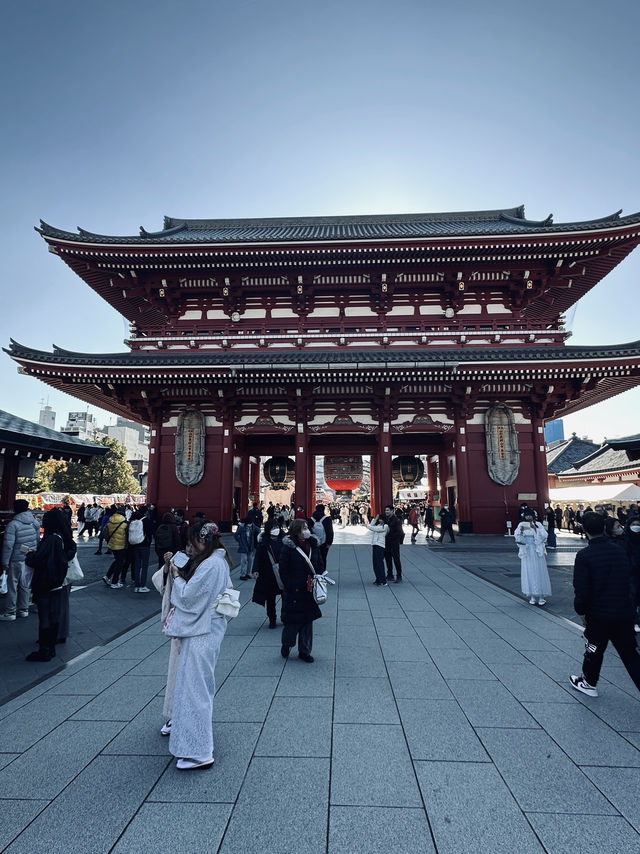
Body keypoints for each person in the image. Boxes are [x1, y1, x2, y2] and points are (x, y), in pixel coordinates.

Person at [163, 520, 230, 770]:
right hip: (207, 628)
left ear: (202, 540)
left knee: (195, 690)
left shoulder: (211, 565)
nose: (190, 546)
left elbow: (189, 598)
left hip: (202, 630)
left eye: (192, 541)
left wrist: (178, 577)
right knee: (195, 688)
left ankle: (199, 751)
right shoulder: (218, 562)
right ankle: (190, 742)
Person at [570, 511, 640, 697]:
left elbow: (582, 589)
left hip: (598, 614)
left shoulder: (584, 556)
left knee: (593, 649)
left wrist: (581, 611)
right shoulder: (620, 551)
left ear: (584, 529)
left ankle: (589, 683)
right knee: (630, 654)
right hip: (623, 612)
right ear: (604, 528)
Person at [24, 509, 72, 661]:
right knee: (54, 615)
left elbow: (38, 559)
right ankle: (50, 647)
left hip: (46, 581)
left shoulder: (50, 539)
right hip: (58, 581)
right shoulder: (65, 537)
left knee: (44, 616)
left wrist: (29, 555)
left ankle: (44, 650)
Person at [279, 518, 322, 662]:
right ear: (296, 531)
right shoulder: (289, 547)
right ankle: (287, 644)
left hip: (309, 588)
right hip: (294, 589)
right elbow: (283, 568)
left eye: (307, 528)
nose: (306, 531)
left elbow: (319, 563)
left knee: (307, 621)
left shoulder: (313, 545)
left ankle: (305, 650)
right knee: (292, 621)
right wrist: (289, 585)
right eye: (303, 528)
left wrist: (319, 577)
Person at [0, 499, 40, 621]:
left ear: (15, 509)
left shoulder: (13, 525)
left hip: (16, 559)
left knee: (12, 585)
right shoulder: (34, 523)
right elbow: (37, 541)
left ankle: (10, 612)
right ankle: (23, 609)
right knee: (25, 585)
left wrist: (4, 562)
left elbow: (8, 545)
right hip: (29, 559)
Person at [514, 510, 551, 605]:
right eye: (527, 516)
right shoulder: (521, 524)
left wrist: (535, 529)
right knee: (529, 572)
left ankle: (541, 596)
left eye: (530, 515)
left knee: (539, 571)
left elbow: (544, 536)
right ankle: (532, 596)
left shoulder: (538, 524)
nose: (528, 517)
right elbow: (517, 536)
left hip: (537, 550)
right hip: (527, 551)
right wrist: (521, 532)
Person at [252, 519, 283, 627]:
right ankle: (272, 618)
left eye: (277, 527)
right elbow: (258, 557)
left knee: (287, 597)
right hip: (268, 574)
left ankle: (285, 616)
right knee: (270, 599)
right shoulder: (263, 543)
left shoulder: (284, 540)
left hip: (283, 573)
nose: (276, 530)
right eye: (274, 528)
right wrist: (255, 570)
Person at [103, 506, 129, 588]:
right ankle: (114, 582)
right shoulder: (125, 523)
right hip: (121, 545)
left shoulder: (110, 521)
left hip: (112, 544)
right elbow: (128, 535)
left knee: (117, 561)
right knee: (120, 564)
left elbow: (105, 532)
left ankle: (107, 576)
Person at [129, 506, 153, 592]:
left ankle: (137, 585)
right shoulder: (146, 520)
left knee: (137, 565)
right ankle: (142, 585)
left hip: (135, 544)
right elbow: (150, 532)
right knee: (145, 566)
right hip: (144, 545)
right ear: (146, 512)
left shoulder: (135, 519)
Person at [367, 513, 389, 586]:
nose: (380, 520)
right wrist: (375, 519)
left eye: (381, 519)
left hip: (380, 546)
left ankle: (383, 580)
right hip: (375, 544)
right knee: (375, 564)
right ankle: (378, 579)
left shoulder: (385, 526)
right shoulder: (378, 525)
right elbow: (372, 525)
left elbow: (373, 528)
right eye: (379, 519)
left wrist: (367, 526)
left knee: (379, 563)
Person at [383, 505, 403, 582]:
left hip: (394, 543)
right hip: (387, 543)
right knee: (388, 559)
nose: (386, 512)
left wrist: (394, 539)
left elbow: (400, 532)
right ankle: (390, 574)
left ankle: (399, 575)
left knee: (396, 559)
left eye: (388, 510)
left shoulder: (396, 520)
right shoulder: (386, 519)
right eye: (386, 510)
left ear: (392, 511)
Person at [313, 504, 334, 571]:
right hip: (323, 543)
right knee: (323, 558)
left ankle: (314, 572)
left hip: (313, 543)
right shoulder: (327, 519)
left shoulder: (311, 519)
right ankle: (322, 572)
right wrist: (329, 542)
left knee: (313, 558)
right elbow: (330, 532)